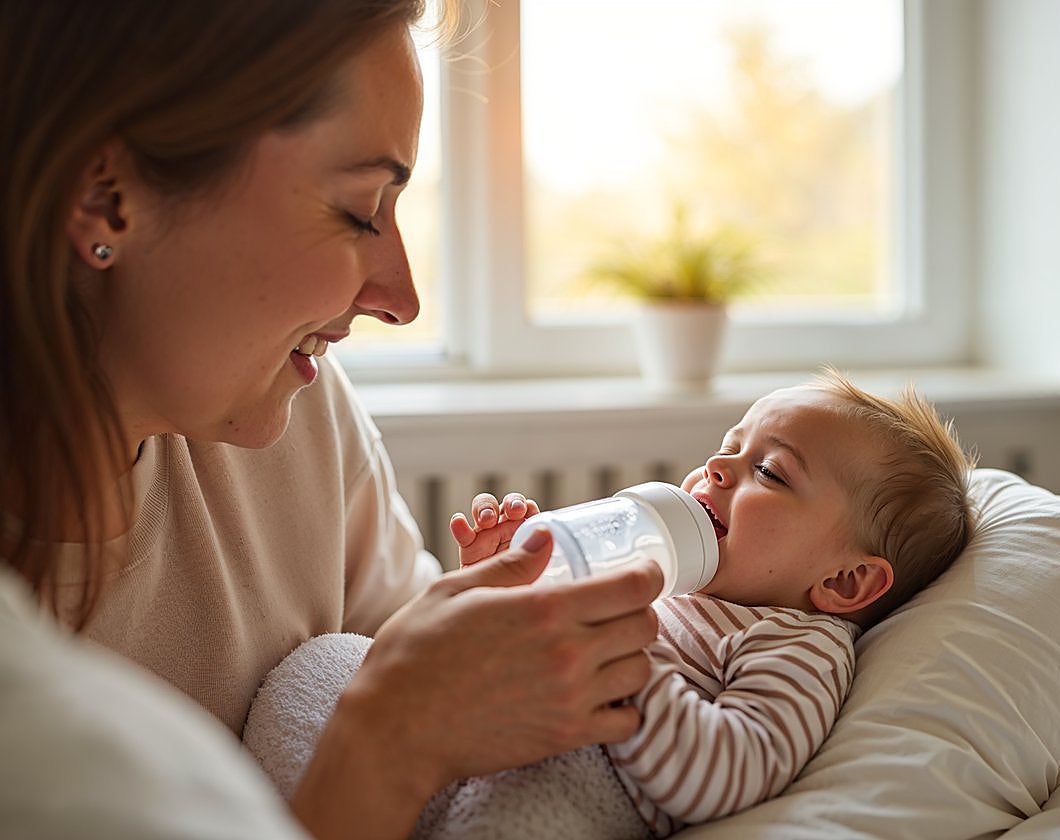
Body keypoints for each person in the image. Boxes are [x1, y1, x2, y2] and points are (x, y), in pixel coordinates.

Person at [0, 1, 661, 837]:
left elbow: (457, 736)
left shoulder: (299, 416)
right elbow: (405, 721)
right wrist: (380, 751)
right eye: (358, 211)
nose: (403, 298)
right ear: (105, 199)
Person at [243, 369, 978, 838]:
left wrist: (627, 661)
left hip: (592, 786)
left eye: (770, 473)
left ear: (845, 583)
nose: (718, 468)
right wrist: (507, 572)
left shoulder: (795, 643)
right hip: (484, 732)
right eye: (729, 445)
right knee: (330, 660)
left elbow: (728, 772)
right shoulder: (674, 580)